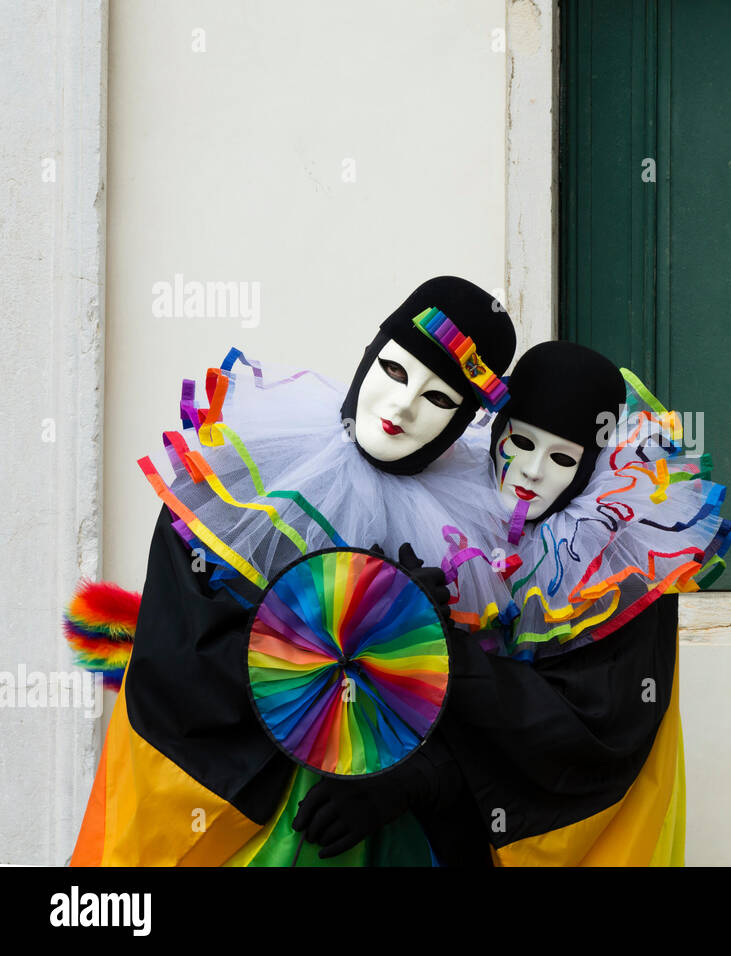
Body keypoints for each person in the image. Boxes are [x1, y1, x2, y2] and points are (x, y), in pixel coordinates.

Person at [71, 276, 517, 866]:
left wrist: (409, 780)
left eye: (440, 399)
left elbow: (482, 710)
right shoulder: (239, 470)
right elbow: (182, 652)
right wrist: (375, 619)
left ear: (462, 424)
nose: (403, 407)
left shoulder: (480, 540)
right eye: (395, 371)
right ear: (368, 357)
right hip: (233, 816)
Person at [292, 342, 731, 865]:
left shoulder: (617, 570)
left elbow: (591, 733)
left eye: (563, 458)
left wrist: (427, 772)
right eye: (520, 442)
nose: (530, 472)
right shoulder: (444, 508)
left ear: (590, 467)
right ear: (495, 431)